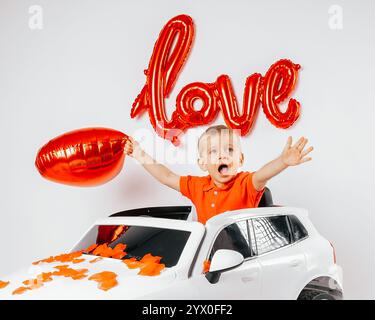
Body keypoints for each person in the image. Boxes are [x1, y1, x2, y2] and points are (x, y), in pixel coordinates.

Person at [124, 125, 313, 224]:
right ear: (203, 163)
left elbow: (263, 175)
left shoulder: (246, 184)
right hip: (208, 258)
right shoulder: (198, 186)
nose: (222, 154)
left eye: (229, 149)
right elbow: (166, 176)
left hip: (242, 259)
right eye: (213, 151)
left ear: (240, 159)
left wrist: (283, 161)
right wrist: (139, 153)